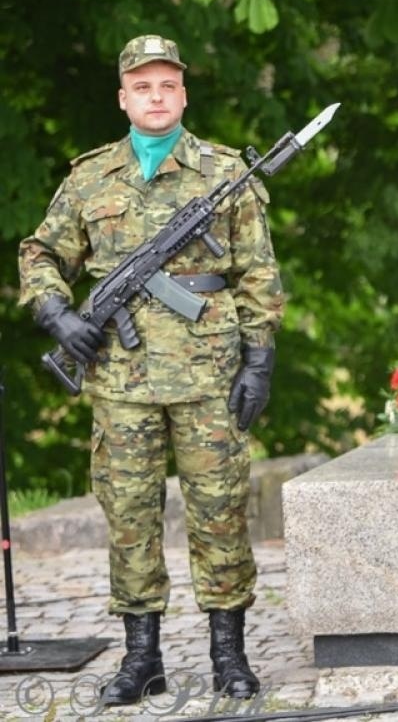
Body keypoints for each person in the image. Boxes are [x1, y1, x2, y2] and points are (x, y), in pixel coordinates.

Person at [18, 35, 283, 707]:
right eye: (143, 87)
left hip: (208, 377)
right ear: (123, 98)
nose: (156, 97)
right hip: (120, 380)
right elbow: (42, 252)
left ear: (184, 94)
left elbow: (258, 274)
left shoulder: (224, 174)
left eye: (167, 85)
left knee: (220, 512)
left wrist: (259, 362)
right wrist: (58, 317)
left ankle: (229, 655)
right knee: (130, 514)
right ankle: (143, 659)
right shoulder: (90, 177)